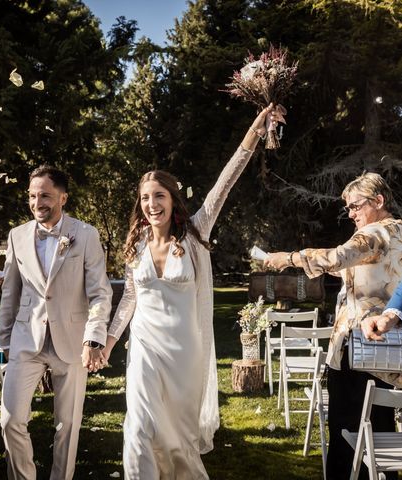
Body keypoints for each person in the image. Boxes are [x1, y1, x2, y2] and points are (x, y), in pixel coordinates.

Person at [103, 105, 281, 479]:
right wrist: (106, 343)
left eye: (159, 196)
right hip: (146, 347)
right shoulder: (134, 246)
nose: (152, 205)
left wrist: (254, 131)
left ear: (172, 199)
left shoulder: (195, 235)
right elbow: (130, 299)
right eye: (146, 198)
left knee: (178, 438)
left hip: (186, 350)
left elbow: (224, 184)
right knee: (138, 428)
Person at [264, 172, 402, 480]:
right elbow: (363, 271)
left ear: (379, 201)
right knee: (378, 431)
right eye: (348, 207)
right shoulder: (400, 234)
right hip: (388, 355)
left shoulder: (376, 231)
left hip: (361, 347)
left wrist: (290, 257)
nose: (351, 213)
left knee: (346, 431)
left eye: (356, 206)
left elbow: (338, 257)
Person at [0, 165, 112, 480]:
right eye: (32, 196)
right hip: (26, 340)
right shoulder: (16, 235)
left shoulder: (85, 234)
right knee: (10, 420)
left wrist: (93, 338)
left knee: (67, 425)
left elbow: (100, 293)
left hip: (73, 341)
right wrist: (4, 342)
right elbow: (10, 292)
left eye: (45, 196)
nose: (37, 203)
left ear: (63, 197)